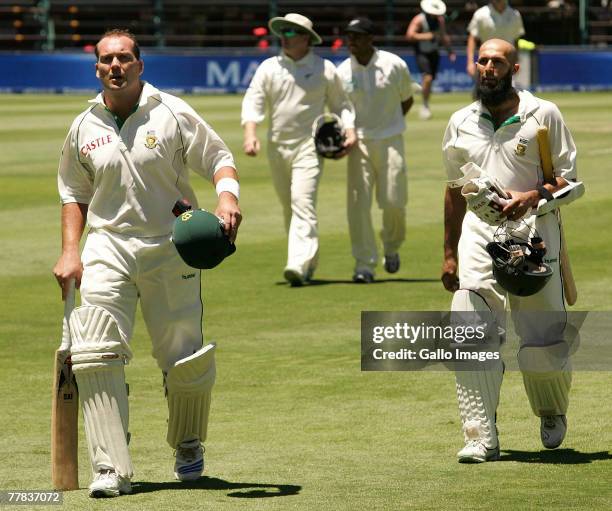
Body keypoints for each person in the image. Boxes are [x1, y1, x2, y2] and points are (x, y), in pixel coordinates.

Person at [52, 29, 241, 497]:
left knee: (184, 361)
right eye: (106, 60)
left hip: (169, 245)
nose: (115, 66)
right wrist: (71, 249)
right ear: (96, 68)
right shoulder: (84, 126)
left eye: (124, 58)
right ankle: (111, 467)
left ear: (139, 64)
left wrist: (227, 200)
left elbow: (218, 157)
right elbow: (74, 194)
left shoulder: (172, 112)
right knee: (94, 350)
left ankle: (188, 444)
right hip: (107, 246)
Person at [441, 39, 579, 462]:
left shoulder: (543, 115)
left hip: (534, 235)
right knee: (468, 323)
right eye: (481, 61)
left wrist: (532, 195)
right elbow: (452, 192)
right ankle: (480, 434)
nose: (487, 68)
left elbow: (569, 181)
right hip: (480, 232)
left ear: (513, 68)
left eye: (496, 62)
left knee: (542, 342)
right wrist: (448, 252)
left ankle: (551, 410)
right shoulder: (461, 120)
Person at [241, 13, 356, 287]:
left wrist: (349, 130)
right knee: (288, 207)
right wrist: (250, 135)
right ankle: (308, 262)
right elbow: (254, 101)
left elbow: (341, 104)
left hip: (309, 146)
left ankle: (297, 263)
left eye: (292, 33)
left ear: (306, 38)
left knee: (302, 203)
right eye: (283, 32)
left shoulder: (324, 68)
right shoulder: (269, 67)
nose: (285, 37)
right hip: (277, 146)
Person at [337, 17, 415, 283]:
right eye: (349, 36)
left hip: (391, 140)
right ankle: (364, 264)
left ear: (371, 39)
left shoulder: (394, 64)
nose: (351, 41)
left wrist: (389, 124)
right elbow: (342, 110)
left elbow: (407, 100)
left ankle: (391, 247)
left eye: (357, 36)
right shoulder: (342, 72)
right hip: (358, 144)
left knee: (394, 202)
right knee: (358, 206)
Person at [405, 0, 456, 120]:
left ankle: (425, 100)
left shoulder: (440, 20)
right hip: (422, 52)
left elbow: (443, 36)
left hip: (434, 53)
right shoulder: (419, 20)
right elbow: (409, 35)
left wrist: (450, 51)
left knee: (430, 79)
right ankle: (425, 106)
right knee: (427, 77)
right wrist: (426, 36)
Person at [465, 0, 524, 79]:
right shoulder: (480, 14)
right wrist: (470, 62)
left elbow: (516, 40)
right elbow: (472, 39)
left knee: (507, 90)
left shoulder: (515, 15)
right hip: (486, 64)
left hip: (507, 65)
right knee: (485, 89)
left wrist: (516, 61)